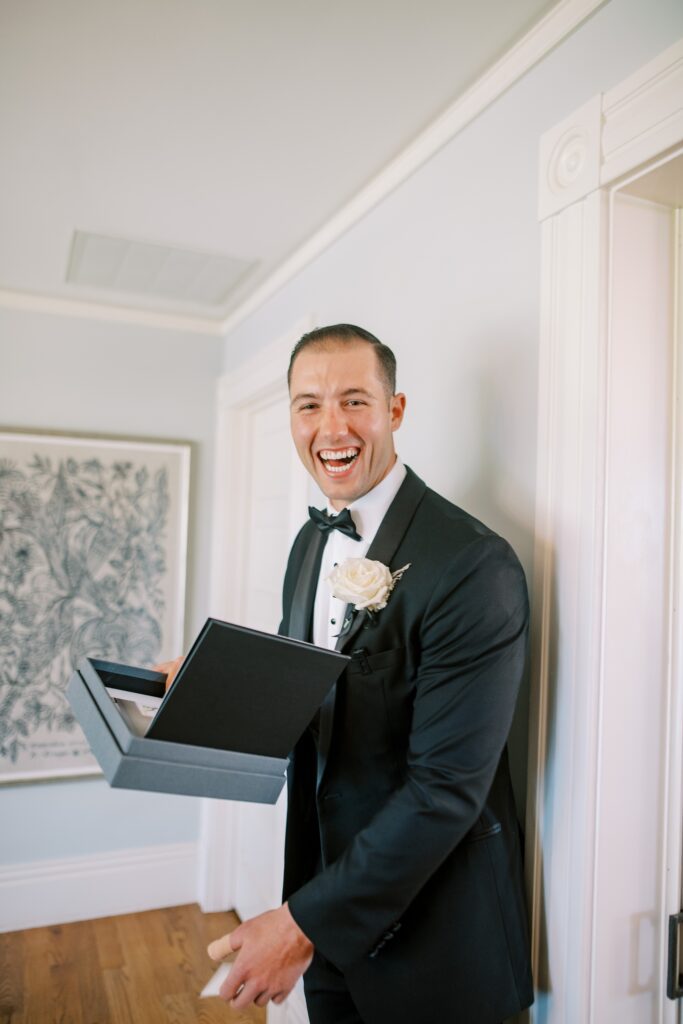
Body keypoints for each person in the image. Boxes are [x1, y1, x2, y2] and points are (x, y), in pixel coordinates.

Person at [162, 324, 533, 1023]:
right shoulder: (311, 538)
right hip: (327, 912)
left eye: (354, 400)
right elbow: (307, 680)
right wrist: (214, 684)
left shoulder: (473, 566)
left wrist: (299, 924)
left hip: (436, 942)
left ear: (394, 411)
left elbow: (445, 791)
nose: (330, 427)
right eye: (308, 405)